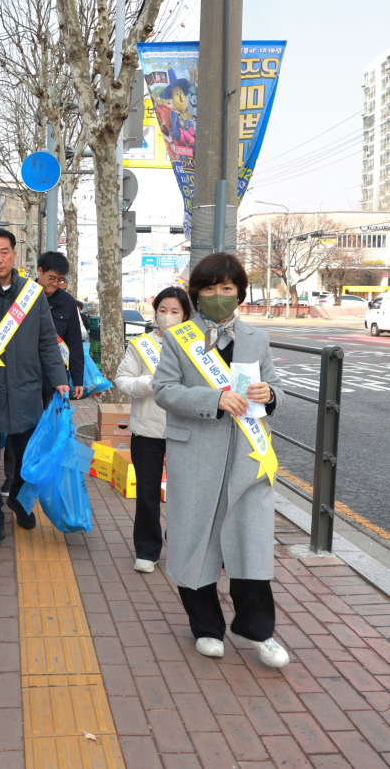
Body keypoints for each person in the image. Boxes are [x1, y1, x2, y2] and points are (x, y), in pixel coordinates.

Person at [153, 253, 289, 668]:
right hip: (195, 454)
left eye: (227, 288)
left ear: (240, 293)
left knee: (252, 542)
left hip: (248, 457)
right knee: (196, 540)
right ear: (196, 293)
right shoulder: (180, 338)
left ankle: (258, 630)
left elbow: (275, 384)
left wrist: (271, 394)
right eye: (209, 289)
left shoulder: (257, 339)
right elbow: (164, 390)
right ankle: (207, 627)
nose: (218, 296)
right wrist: (212, 399)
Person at [0, 228, 68, 550]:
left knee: (27, 460)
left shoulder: (32, 295)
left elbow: (47, 343)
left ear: (14, 255)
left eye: (4, 252)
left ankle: (21, 505)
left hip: (26, 393)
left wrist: (59, 379)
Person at [115, 286, 191, 574]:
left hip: (186, 431)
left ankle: (183, 544)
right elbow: (122, 380)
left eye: (175, 312)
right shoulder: (140, 345)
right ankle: (147, 550)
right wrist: (148, 382)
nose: (168, 317)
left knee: (185, 493)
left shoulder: (198, 346)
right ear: (155, 312)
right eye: (163, 310)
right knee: (147, 493)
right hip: (147, 431)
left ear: (186, 315)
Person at [36, 251, 85, 404]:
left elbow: (74, 343)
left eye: (59, 279)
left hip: (55, 376)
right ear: (40, 271)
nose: (55, 283)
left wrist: (77, 380)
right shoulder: (23, 296)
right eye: (51, 278)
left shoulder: (67, 302)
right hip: (27, 375)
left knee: (53, 423)